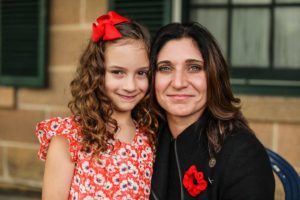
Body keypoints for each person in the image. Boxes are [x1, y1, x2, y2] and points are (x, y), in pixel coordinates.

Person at [35, 11, 158, 199]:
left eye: (141, 73)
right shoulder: (69, 139)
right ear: (96, 73)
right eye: (118, 72)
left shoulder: (150, 136)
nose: (131, 86)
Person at [149, 22, 275, 200]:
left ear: (214, 75)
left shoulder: (243, 153)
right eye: (165, 68)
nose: (178, 83)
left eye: (194, 68)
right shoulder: (146, 141)